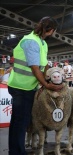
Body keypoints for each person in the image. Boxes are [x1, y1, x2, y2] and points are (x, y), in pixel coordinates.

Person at [7, 16, 62, 155]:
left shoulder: (42, 43)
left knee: (23, 121)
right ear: (51, 31)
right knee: (20, 122)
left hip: (29, 87)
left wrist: (48, 77)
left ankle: (16, 150)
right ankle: (16, 152)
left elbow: (44, 65)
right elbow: (34, 67)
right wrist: (46, 85)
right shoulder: (31, 41)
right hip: (20, 87)